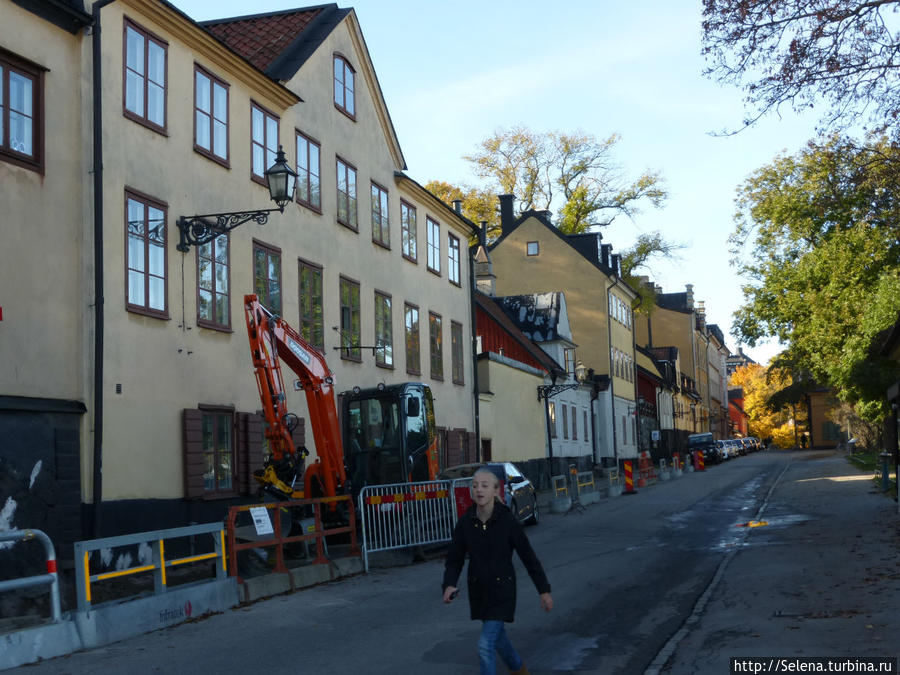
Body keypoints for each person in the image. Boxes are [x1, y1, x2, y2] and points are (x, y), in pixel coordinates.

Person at [442, 467, 553, 675]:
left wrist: (544, 590)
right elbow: (454, 559)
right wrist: (449, 584)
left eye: (484, 486)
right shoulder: (466, 523)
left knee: (485, 645)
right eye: (475, 486)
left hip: (503, 590)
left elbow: (528, 557)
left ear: (495, 491)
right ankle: (519, 670)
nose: (479, 490)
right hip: (479, 592)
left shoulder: (507, 521)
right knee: (498, 638)